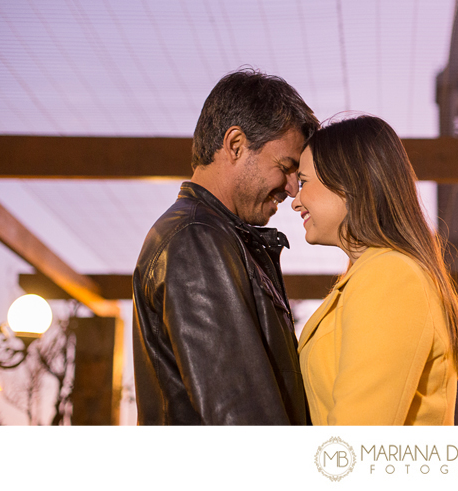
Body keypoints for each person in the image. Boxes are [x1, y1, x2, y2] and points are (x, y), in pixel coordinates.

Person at [131, 69, 318, 425]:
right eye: (286, 167)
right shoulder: (196, 240)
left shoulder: (210, 237)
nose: (293, 189)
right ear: (235, 145)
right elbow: (241, 417)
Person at [292, 114, 458, 425]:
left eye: (303, 182)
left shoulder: (390, 275)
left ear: (348, 182)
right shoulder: (375, 273)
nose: (295, 202)